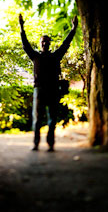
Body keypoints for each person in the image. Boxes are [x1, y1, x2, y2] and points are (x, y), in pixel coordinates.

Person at [19, 13, 78, 152]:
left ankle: (50, 144)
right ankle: (36, 143)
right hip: (39, 90)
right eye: (42, 41)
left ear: (49, 43)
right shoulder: (35, 56)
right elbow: (25, 44)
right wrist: (21, 27)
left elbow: (66, 43)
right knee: (37, 119)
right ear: (40, 44)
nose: (44, 43)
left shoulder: (56, 55)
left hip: (52, 90)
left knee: (52, 119)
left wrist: (74, 29)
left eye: (47, 41)